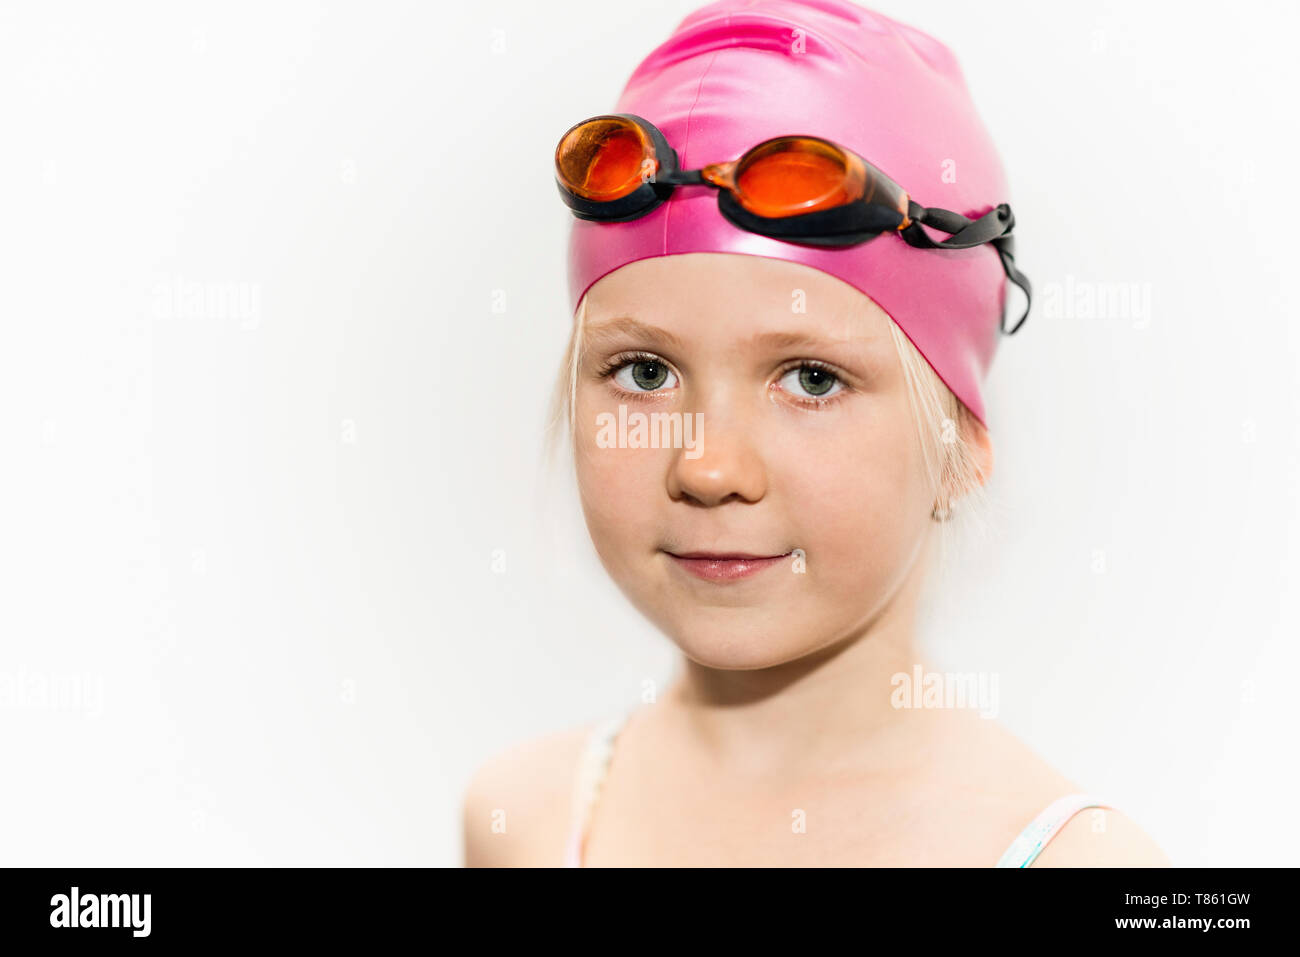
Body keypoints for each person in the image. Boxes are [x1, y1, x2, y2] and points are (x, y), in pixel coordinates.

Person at [463, 0, 1170, 867]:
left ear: (959, 447)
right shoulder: (526, 820)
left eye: (811, 378)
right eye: (645, 372)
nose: (709, 465)